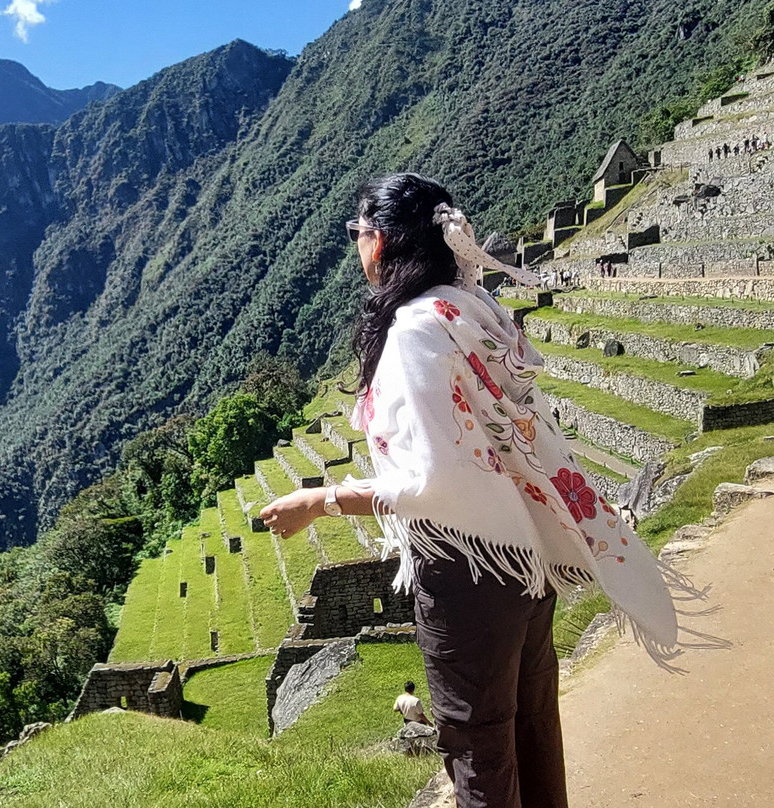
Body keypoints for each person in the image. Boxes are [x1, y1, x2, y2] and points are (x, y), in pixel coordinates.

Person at [260, 173, 677, 808]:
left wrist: (320, 501)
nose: (356, 246)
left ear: (382, 244)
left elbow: (433, 480)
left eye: (357, 233)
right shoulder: (468, 307)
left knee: (476, 740)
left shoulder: (414, 334)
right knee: (532, 719)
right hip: (526, 552)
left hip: (469, 565)